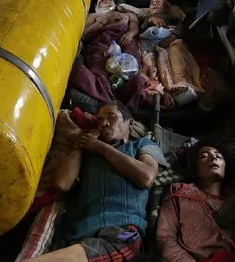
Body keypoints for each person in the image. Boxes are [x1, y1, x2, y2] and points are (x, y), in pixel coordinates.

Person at [25, 101, 166, 262]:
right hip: (76, 238)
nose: (104, 123)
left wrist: (101, 147)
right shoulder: (87, 155)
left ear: (130, 122)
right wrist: (84, 143)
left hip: (121, 235)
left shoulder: (141, 145)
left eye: (111, 117)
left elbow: (146, 177)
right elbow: (62, 184)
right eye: (99, 120)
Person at [156, 140, 235, 261]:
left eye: (219, 156)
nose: (214, 158)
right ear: (196, 168)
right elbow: (165, 238)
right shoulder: (179, 192)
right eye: (204, 156)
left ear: (225, 166)